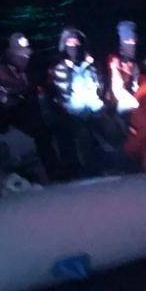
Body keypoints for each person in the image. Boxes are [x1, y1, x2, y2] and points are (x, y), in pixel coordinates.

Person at [0, 32, 57, 181]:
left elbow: (30, 89)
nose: (25, 58)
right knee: (40, 133)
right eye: (21, 55)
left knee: (44, 131)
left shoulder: (25, 71)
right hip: (5, 112)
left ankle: (54, 171)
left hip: (21, 109)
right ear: (11, 54)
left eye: (27, 55)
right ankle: (52, 171)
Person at [46, 26, 111, 178]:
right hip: (73, 112)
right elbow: (59, 94)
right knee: (83, 135)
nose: (73, 46)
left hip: (95, 107)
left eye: (76, 42)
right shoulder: (59, 68)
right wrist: (68, 108)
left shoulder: (91, 65)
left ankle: (112, 163)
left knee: (109, 128)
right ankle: (89, 170)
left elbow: (100, 85)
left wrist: (101, 103)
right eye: (69, 42)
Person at [107, 20, 140, 114]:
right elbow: (118, 89)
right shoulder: (115, 60)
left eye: (133, 41)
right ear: (122, 41)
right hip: (120, 106)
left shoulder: (134, 63)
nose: (131, 44)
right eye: (127, 41)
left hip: (134, 104)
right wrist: (136, 104)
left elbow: (137, 83)